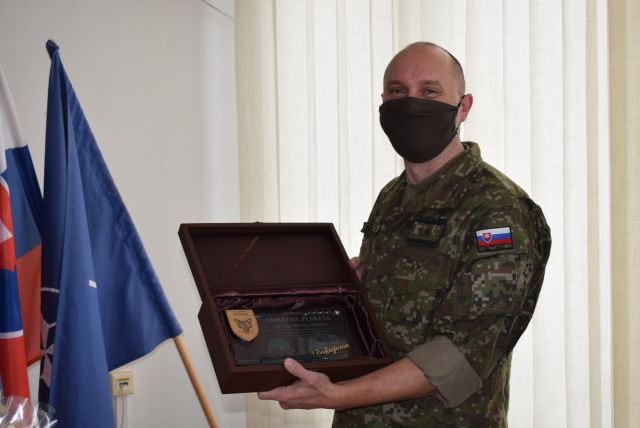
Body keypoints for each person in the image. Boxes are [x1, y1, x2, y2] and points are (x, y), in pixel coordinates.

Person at [258, 41, 551, 427]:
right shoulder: (392, 197)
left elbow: (462, 355)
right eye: (397, 91)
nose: (411, 103)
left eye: (429, 91)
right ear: (382, 104)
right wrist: (347, 295)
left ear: (463, 107)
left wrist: (337, 394)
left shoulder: (497, 210)